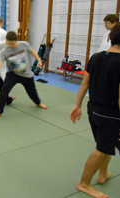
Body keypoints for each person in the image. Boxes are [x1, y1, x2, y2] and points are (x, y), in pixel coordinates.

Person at [70, 22, 120, 198]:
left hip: (93, 109)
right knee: (102, 148)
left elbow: (85, 83)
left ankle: (103, 173)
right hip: (111, 113)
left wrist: (77, 105)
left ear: (110, 38)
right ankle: (84, 183)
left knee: (106, 144)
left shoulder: (96, 56)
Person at [0, 31, 47, 119]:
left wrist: (39, 60)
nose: (10, 45)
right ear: (6, 41)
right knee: (3, 91)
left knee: (32, 92)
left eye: (12, 43)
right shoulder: (4, 50)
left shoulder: (23, 44)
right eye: (8, 43)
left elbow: (32, 51)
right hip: (13, 74)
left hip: (26, 74)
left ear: (16, 41)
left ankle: (38, 103)